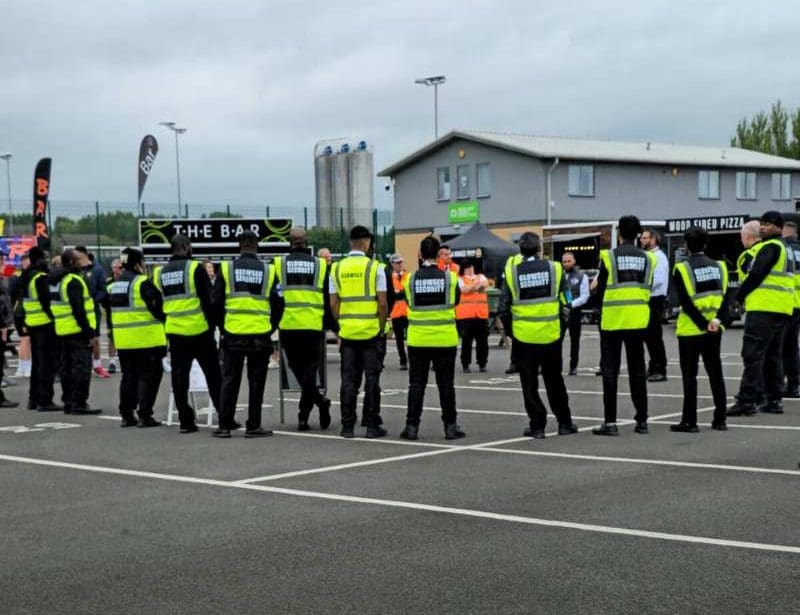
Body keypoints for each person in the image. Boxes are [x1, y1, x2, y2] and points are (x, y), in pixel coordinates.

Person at [498, 232, 578, 438]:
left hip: (524, 336)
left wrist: (512, 332)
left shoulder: (513, 272)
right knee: (554, 380)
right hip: (551, 334)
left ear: (520, 250)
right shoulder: (555, 268)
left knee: (529, 383)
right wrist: (561, 325)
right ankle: (564, 422)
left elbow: (503, 307)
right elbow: (567, 300)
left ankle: (537, 425)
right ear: (539, 248)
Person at [211, 231, 283, 438]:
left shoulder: (226, 268)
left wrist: (223, 327)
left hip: (233, 333)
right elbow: (279, 303)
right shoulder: (269, 270)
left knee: (230, 380)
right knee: (256, 382)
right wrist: (270, 327)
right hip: (260, 333)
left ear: (239, 246)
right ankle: (253, 426)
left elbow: (215, 302)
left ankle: (224, 425)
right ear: (257, 246)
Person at [593, 215, 656, 436]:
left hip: (612, 320)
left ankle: (610, 423)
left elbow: (600, 291)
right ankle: (642, 421)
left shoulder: (609, 257)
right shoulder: (649, 258)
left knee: (610, 372)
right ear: (639, 234)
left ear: (619, 234)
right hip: (638, 319)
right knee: (638, 371)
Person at [728, 211, 794, 417]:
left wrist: (739, 296)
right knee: (773, 355)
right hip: (781, 308)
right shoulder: (786, 248)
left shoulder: (770, 246)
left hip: (764, 307)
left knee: (752, 354)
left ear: (779, 227)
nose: (763, 227)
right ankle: (773, 399)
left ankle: (747, 400)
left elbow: (757, 273)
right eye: (762, 224)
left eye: (769, 224)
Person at [155, 234, 223, 433]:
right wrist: (212, 326)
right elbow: (208, 299)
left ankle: (186, 421)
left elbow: (158, 303)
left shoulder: (160, 272)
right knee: (214, 376)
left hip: (175, 332)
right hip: (200, 331)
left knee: (179, 378)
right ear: (186, 247)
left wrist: (168, 319)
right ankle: (224, 416)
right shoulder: (194, 268)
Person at [400, 235, 466, 440]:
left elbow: (409, 303)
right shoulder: (450, 278)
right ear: (439, 255)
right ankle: (450, 427)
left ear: (420, 254)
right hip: (444, 339)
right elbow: (455, 302)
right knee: (446, 385)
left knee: (416, 385)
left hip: (418, 339)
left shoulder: (410, 279)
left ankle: (411, 427)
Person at [670, 226, 731, 432]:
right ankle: (720, 419)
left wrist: (702, 324)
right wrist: (717, 321)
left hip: (690, 330)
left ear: (686, 245)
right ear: (706, 243)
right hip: (714, 328)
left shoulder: (682, 268)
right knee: (715, 373)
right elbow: (725, 300)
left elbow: (685, 302)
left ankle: (690, 421)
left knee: (690, 376)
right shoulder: (720, 267)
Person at [330, 225, 388, 438]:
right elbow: (382, 303)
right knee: (372, 379)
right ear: (366, 243)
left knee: (348, 380)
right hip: (371, 332)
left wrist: (342, 324)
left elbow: (333, 304)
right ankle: (372, 425)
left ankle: (347, 426)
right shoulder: (376, 268)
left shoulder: (336, 268)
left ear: (350, 243)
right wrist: (381, 327)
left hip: (348, 333)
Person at [275, 227, 332, 431]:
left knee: (297, 368)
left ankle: (304, 416)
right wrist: (332, 326)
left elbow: (276, 297)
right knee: (309, 370)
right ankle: (317, 402)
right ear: (306, 241)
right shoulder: (320, 265)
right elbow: (327, 297)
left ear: (290, 242)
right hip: (313, 325)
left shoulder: (279, 264)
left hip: (289, 325)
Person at [106, 248, 166, 428]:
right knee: (148, 378)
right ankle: (145, 415)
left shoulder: (113, 285)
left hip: (124, 341)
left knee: (129, 377)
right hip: (147, 339)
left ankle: (126, 414)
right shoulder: (142, 283)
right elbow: (158, 309)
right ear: (138, 263)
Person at [49, 249, 100, 414]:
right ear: (72, 262)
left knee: (67, 368)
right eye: (78, 259)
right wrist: (90, 334)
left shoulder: (58, 281)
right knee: (82, 368)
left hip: (63, 330)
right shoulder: (73, 281)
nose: (82, 262)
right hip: (77, 331)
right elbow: (79, 310)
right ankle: (79, 402)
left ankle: (69, 400)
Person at [20, 247, 59, 411]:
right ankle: (45, 400)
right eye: (44, 258)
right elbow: (47, 302)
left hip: (32, 323)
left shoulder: (26, 276)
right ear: (38, 259)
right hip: (44, 325)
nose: (47, 261)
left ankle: (34, 399)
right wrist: (55, 319)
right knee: (46, 364)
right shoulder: (40, 277)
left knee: (37, 364)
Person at [75, 247, 111, 378]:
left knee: (94, 338)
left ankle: (97, 365)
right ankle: (81, 365)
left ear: (83, 255)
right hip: (77, 310)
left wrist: (94, 302)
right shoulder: (75, 270)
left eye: (77, 256)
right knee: (79, 338)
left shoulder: (97, 270)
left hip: (92, 311)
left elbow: (103, 289)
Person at [639, 228, 669, 382]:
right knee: (648, 337)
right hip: (648, 298)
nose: (642, 241)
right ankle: (653, 367)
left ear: (653, 240)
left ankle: (660, 368)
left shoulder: (658, 257)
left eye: (645, 238)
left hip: (655, 299)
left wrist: (642, 288)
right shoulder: (648, 256)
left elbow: (658, 280)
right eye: (642, 238)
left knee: (654, 336)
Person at [456, 259, 490, 373]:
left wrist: (472, 286)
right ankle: (465, 364)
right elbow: (463, 290)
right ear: (463, 269)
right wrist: (476, 286)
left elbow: (486, 285)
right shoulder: (460, 279)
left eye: (471, 267)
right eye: (467, 267)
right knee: (467, 341)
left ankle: (482, 363)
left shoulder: (481, 276)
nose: (470, 269)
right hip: (466, 315)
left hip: (481, 314)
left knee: (482, 341)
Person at [561, 251, 590, 375]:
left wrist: (571, 304)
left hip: (574, 311)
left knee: (575, 341)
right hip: (560, 312)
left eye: (569, 261)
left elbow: (585, 296)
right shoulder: (559, 275)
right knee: (556, 340)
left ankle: (573, 366)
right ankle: (556, 365)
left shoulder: (581, 276)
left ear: (574, 261)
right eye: (564, 261)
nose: (567, 264)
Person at [780, 220, 800, 398]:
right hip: (799, 305)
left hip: (787, 303)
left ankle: (777, 384)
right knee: (793, 348)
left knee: (779, 347)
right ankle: (794, 385)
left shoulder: (784, 250)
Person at [10, 254, 32, 379]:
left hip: (27, 311)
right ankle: (25, 366)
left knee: (27, 340)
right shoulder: (18, 276)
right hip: (21, 311)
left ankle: (23, 366)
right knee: (26, 340)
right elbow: (12, 294)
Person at [388, 253, 410, 370]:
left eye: (401, 262)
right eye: (398, 263)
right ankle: (403, 360)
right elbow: (392, 294)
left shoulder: (408, 275)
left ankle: (412, 358)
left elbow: (408, 292)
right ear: (392, 264)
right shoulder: (390, 277)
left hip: (408, 312)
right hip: (396, 312)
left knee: (411, 338)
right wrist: (400, 293)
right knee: (399, 339)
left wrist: (399, 293)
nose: (400, 264)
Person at [105, 258, 122, 374]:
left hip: (126, 314)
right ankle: (112, 362)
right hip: (112, 314)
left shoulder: (127, 280)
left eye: (120, 267)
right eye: (116, 268)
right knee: (112, 338)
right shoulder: (108, 282)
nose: (118, 270)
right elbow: (104, 298)